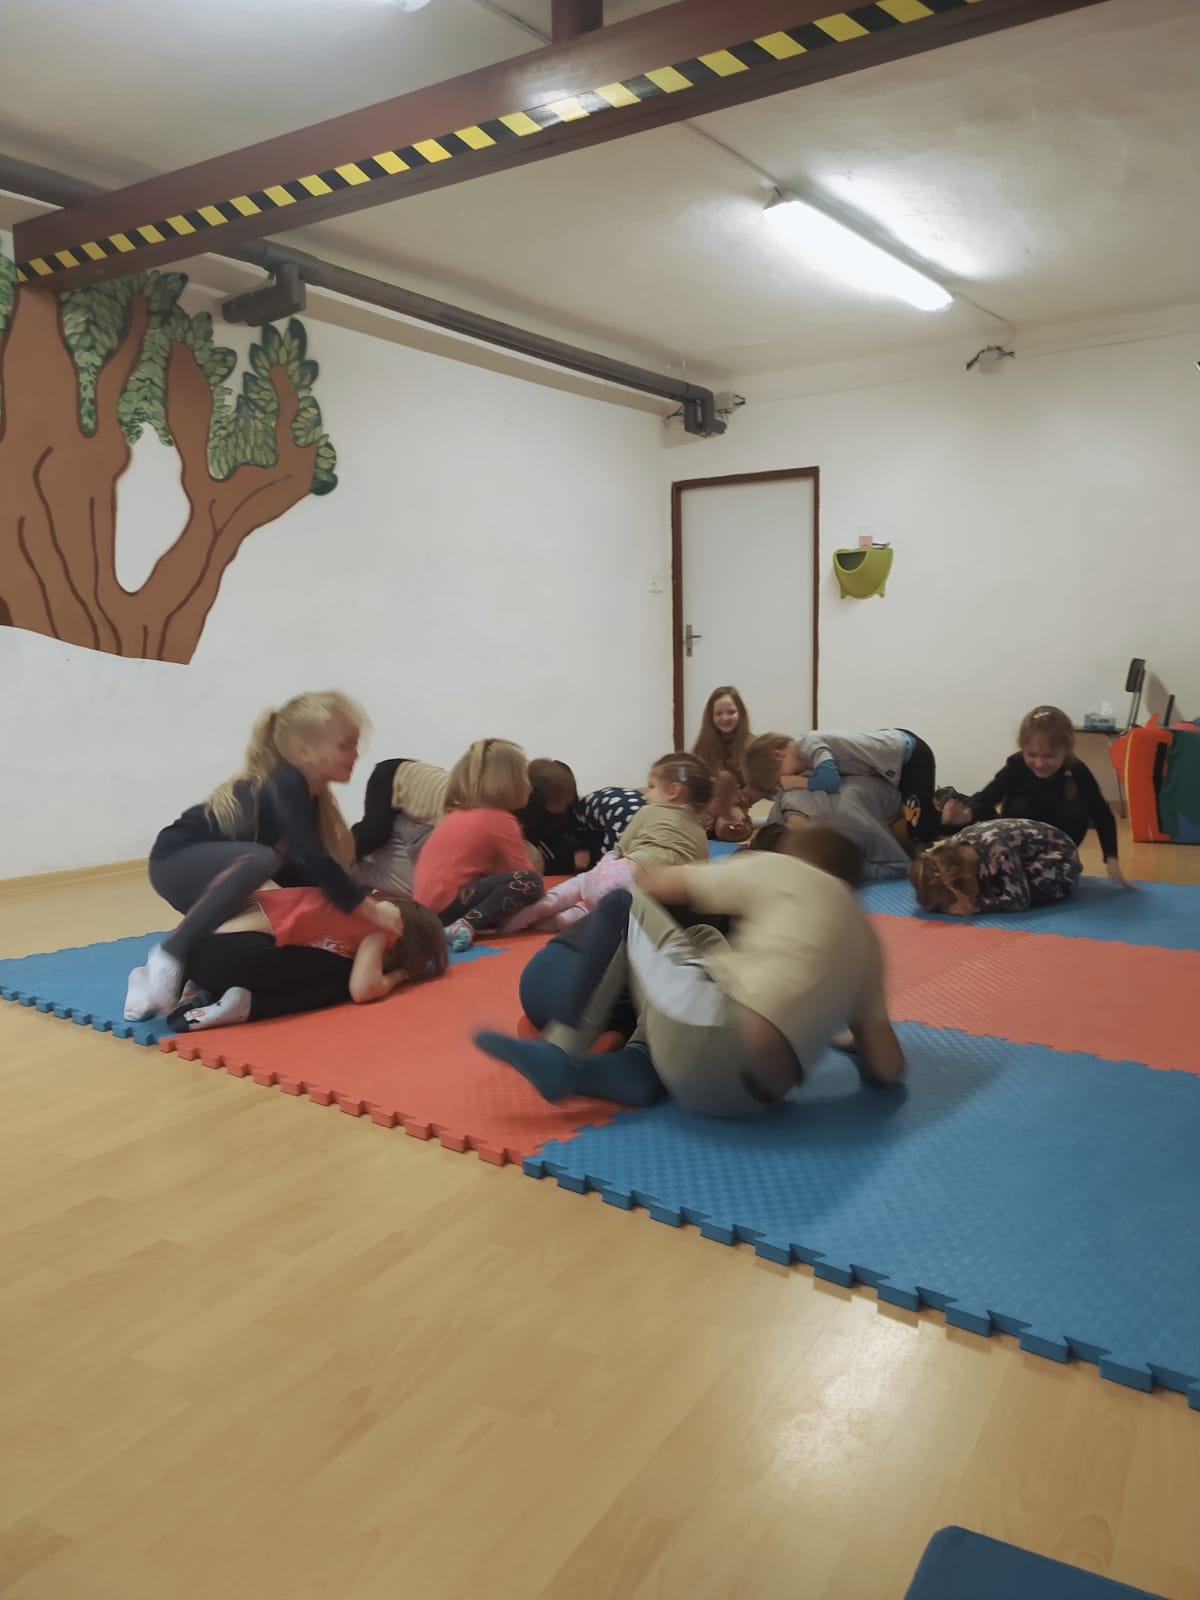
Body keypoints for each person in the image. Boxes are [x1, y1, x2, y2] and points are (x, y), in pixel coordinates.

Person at [476, 824, 905, 1117]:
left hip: (709, 1047)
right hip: (754, 1100)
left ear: (794, 855)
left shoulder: (780, 868)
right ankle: (637, 1067)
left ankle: (560, 1050)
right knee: (704, 939)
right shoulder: (868, 941)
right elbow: (888, 1067)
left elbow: (654, 885)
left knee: (624, 904)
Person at [125, 691, 396, 1021]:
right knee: (260, 860)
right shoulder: (284, 782)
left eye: (356, 745)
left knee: (256, 894)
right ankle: (169, 952)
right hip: (175, 860)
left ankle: (153, 980)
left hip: (211, 876)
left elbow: (297, 874)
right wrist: (368, 909)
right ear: (302, 750)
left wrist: (337, 917)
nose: (355, 754)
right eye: (344, 746)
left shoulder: (307, 800)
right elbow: (311, 857)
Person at [168, 889, 449, 1030]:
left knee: (318, 967)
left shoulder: (355, 905)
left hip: (195, 956)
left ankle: (202, 991)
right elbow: (363, 990)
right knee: (345, 975)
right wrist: (400, 976)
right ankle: (249, 1006)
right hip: (238, 952)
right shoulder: (387, 922)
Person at [500, 752, 713, 934]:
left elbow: (622, 846)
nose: (646, 794)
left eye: (652, 786)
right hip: (648, 894)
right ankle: (557, 923)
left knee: (576, 887)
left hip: (625, 871)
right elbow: (697, 868)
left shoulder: (649, 811)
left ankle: (521, 918)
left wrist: (607, 861)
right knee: (585, 911)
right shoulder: (701, 834)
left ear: (674, 791)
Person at [940, 706, 1130, 888]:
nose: (1039, 763)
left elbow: (1102, 815)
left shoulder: (1078, 772)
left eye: (1049, 756)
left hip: (1057, 856)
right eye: (1031, 754)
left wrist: (1111, 858)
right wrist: (966, 814)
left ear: (1066, 750)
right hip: (1017, 851)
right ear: (1022, 748)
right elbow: (987, 797)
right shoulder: (1017, 766)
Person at [412, 738, 542, 948]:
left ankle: (463, 924)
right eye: (524, 776)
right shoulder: (500, 819)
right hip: (447, 908)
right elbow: (525, 875)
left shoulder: (458, 815)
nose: (529, 785)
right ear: (509, 782)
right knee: (531, 881)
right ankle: (465, 924)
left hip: (425, 913)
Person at [746, 726, 938, 843]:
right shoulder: (801, 756)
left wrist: (799, 782)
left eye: (781, 777)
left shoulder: (810, 745)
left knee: (918, 828)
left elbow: (831, 782)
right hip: (890, 762)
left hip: (910, 756)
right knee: (908, 809)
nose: (787, 780)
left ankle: (949, 817)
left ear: (778, 755)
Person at [910, 818, 1082, 915]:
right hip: (1020, 855)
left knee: (1032, 889)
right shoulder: (955, 849)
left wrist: (976, 906)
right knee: (1001, 882)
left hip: (1060, 858)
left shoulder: (998, 852)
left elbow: (1018, 901)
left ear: (969, 879)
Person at [767, 773, 913, 880]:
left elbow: (900, 866)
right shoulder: (779, 812)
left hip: (903, 808)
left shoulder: (854, 823)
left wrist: (840, 867)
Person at [352, 757, 449, 896]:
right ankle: (335, 857)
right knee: (375, 833)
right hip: (392, 777)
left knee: (376, 833)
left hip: (413, 778)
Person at [693, 685, 754, 843]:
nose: (725, 718)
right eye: (719, 713)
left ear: (740, 713)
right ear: (711, 717)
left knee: (727, 830)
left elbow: (759, 786)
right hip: (706, 804)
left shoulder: (752, 745)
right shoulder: (702, 746)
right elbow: (691, 779)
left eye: (731, 712)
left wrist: (736, 801)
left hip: (733, 806)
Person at [516, 759, 591, 876]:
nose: (569, 801)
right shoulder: (524, 816)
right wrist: (571, 862)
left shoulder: (567, 811)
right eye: (563, 798)